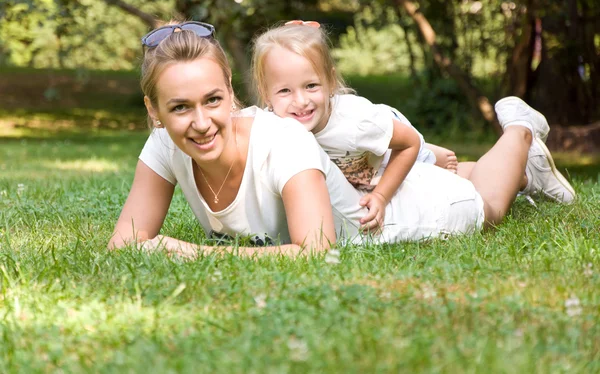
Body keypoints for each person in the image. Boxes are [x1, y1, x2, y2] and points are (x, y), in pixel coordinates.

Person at [109, 21, 575, 259]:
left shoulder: (284, 140)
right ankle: (479, 162)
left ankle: (520, 133)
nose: (202, 121)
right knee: (452, 174)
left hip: (399, 217)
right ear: (154, 112)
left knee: (487, 204)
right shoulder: (164, 145)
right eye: (179, 107)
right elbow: (125, 242)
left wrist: (193, 253)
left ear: (231, 89)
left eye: (212, 99)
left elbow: (316, 250)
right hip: (363, 182)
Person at [251, 21, 459, 232]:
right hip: (364, 160)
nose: (301, 101)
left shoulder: (356, 123)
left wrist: (380, 196)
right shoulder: (271, 126)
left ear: (331, 81)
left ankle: (435, 155)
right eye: (285, 91)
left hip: (393, 148)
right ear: (266, 92)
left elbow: (408, 143)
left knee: (442, 176)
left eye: (311, 86)